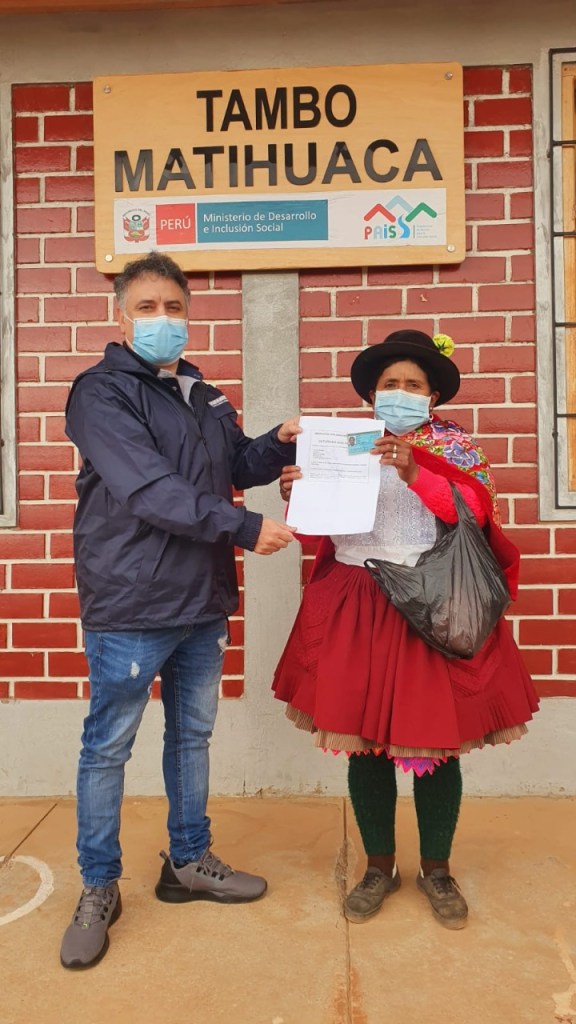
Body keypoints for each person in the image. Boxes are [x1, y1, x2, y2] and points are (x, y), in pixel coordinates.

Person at [60, 252, 299, 969]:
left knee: (191, 738)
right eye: (147, 307)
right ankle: (99, 885)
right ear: (122, 317)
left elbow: (235, 465)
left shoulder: (202, 393)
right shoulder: (100, 394)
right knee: (108, 747)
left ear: (189, 315)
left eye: (173, 307)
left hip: (202, 600)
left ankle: (188, 861)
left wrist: (278, 445)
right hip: (133, 603)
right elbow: (151, 490)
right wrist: (244, 527)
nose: (162, 319)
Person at [273, 329, 538, 930]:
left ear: (432, 396)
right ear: (371, 394)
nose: (399, 392)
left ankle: (437, 869)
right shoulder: (345, 445)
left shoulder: (456, 449)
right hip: (355, 604)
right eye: (389, 383)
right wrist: (299, 495)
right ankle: (379, 866)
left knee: (435, 748)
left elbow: (472, 515)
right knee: (364, 745)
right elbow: (317, 532)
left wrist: (416, 471)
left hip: (430, 608)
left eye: (412, 385)